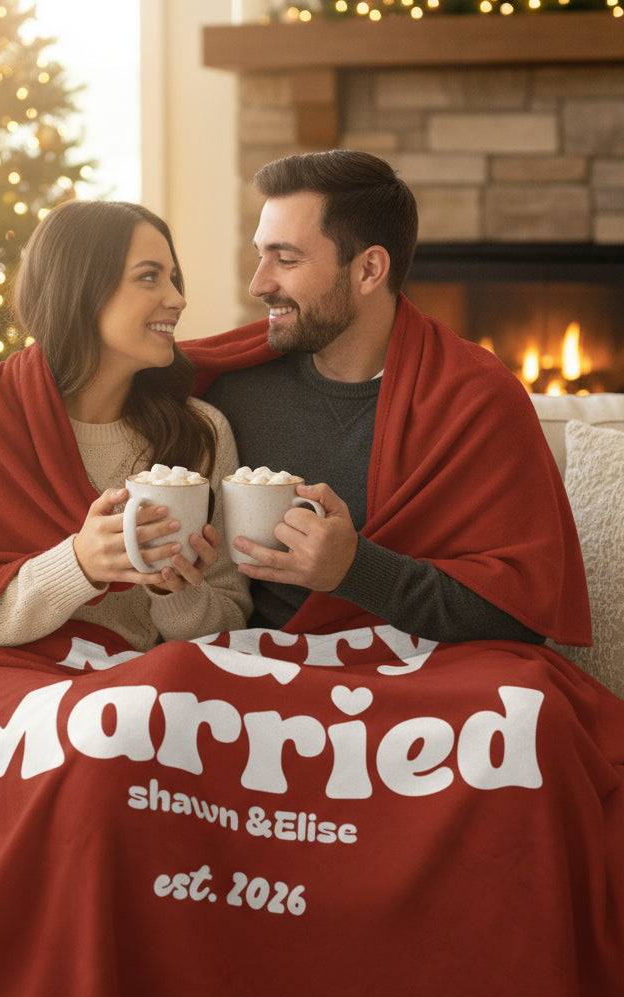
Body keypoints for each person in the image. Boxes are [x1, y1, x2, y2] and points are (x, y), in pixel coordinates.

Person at [197, 150, 549, 644]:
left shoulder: (475, 401)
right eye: (260, 255)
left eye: (287, 259)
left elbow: (519, 620)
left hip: (422, 678)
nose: (259, 284)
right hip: (267, 678)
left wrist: (356, 569)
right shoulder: (231, 390)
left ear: (368, 270)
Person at [0, 200, 251, 650]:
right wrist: (78, 565)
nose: (178, 299)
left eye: (174, 278)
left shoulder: (201, 433)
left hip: (131, 689)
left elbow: (230, 628)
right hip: (10, 681)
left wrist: (172, 592)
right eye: (149, 276)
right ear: (82, 290)